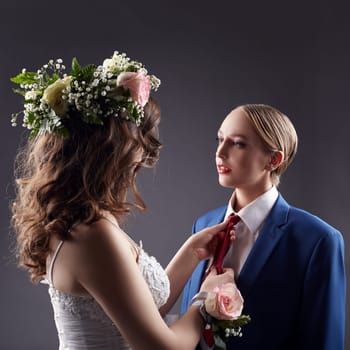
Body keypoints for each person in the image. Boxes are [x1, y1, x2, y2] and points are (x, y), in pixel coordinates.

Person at [10, 51, 235, 350]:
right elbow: (161, 347)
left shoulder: (79, 221)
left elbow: (134, 314)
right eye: (138, 142)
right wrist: (206, 301)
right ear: (111, 151)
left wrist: (191, 253)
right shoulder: (94, 236)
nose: (144, 154)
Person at [181, 104, 346, 350]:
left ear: (273, 159)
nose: (220, 152)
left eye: (237, 143)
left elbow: (324, 341)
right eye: (220, 139)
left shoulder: (317, 240)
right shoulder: (203, 225)